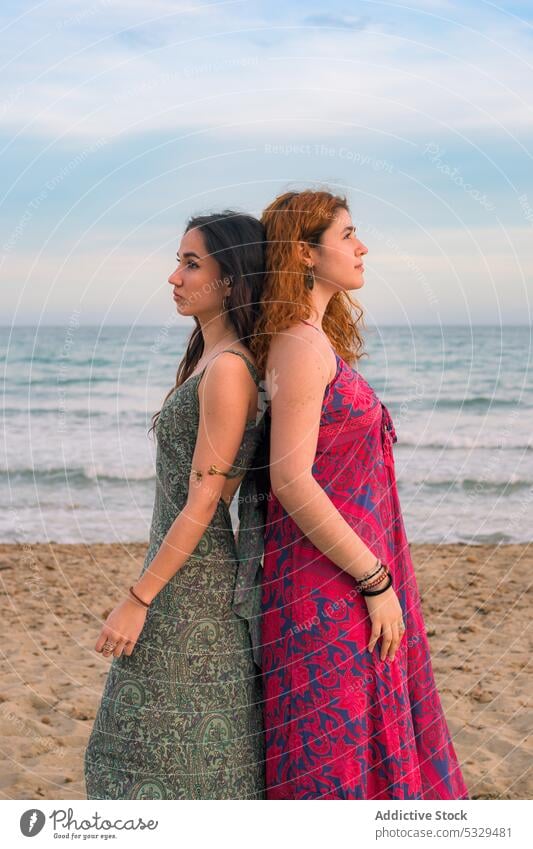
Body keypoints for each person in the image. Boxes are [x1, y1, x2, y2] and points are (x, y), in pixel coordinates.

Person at [249, 189, 469, 800]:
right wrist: (375, 581)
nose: (362, 245)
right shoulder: (297, 344)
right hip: (329, 587)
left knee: (363, 749)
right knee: (335, 763)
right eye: (347, 234)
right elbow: (291, 479)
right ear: (304, 252)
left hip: (342, 575)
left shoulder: (313, 340)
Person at [84, 211, 267, 799]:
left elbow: (206, 499)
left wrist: (137, 599)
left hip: (193, 592)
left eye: (191, 264)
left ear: (232, 279)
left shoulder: (230, 371)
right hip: (180, 577)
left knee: (173, 760)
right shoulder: (209, 361)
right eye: (178, 262)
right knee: (142, 750)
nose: (174, 277)